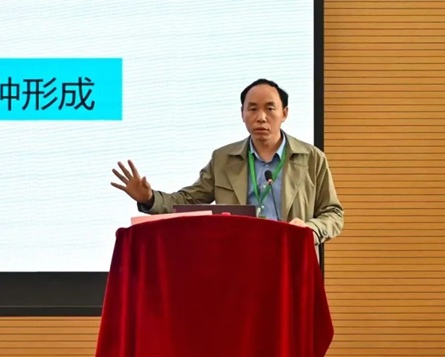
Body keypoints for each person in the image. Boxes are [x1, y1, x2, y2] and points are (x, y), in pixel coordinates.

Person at [111, 78, 344, 245]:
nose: (261, 117)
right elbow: (188, 201)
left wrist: (310, 229)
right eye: (252, 109)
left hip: (291, 259)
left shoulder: (312, 158)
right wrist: (149, 199)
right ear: (242, 113)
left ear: (284, 113)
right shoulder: (223, 159)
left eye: (270, 108)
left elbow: (333, 213)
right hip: (237, 260)